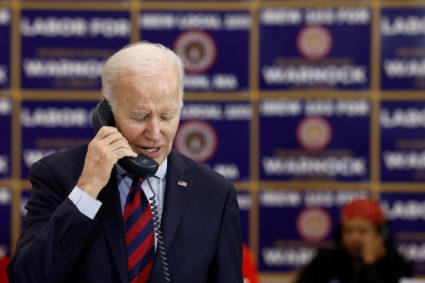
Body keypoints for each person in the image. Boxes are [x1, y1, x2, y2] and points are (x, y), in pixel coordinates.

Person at [7, 42, 243, 283]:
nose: (154, 132)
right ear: (107, 111)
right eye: (139, 116)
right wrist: (87, 190)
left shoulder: (214, 193)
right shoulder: (57, 176)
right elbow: (26, 277)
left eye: (167, 116)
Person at [294, 198, 412, 283]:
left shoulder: (397, 265)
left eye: (362, 231)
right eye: (348, 231)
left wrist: (370, 264)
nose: (354, 237)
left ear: (381, 234)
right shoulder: (326, 261)